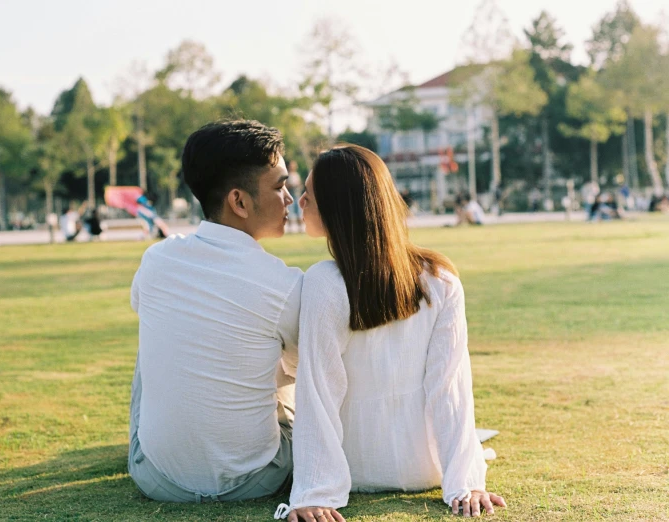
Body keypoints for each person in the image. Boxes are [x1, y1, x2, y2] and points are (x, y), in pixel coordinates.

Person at [279, 145, 505, 521]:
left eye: (310, 194)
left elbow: (319, 388)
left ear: (339, 206)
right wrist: (463, 480)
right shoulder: (441, 279)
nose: (299, 200)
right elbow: (448, 387)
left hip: (354, 469)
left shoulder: (323, 282)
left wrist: (315, 491)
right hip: (427, 467)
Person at [128, 120, 301, 503]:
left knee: (155, 343)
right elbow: (299, 367)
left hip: (158, 479)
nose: (290, 198)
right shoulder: (284, 284)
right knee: (285, 360)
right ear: (239, 201)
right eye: (279, 185)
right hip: (256, 480)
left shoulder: (156, 259)